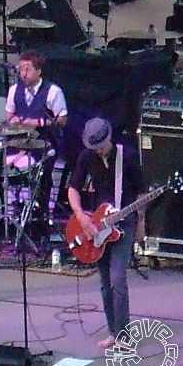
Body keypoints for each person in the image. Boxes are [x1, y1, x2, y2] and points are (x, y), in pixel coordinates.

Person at [67, 118, 145, 349]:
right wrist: (81, 216)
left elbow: (141, 193)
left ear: (109, 137)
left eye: (101, 145)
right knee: (104, 282)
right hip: (98, 225)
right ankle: (113, 332)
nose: (98, 150)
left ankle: (124, 336)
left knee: (118, 277)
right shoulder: (86, 157)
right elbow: (73, 189)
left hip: (125, 222)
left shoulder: (127, 156)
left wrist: (141, 223)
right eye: (94, 147)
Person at [4, 50, 68, 222]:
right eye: (21, 69)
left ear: (39, 71)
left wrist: (39, 123)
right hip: (18, 143)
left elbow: (62, 119)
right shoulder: (13, 90)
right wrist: (14, 120)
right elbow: (8, 115)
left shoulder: (53, 91)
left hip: (44, 143)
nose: (23, 74)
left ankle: (42, 216)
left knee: (43, 179)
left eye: (28, 69)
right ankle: (14, 211)